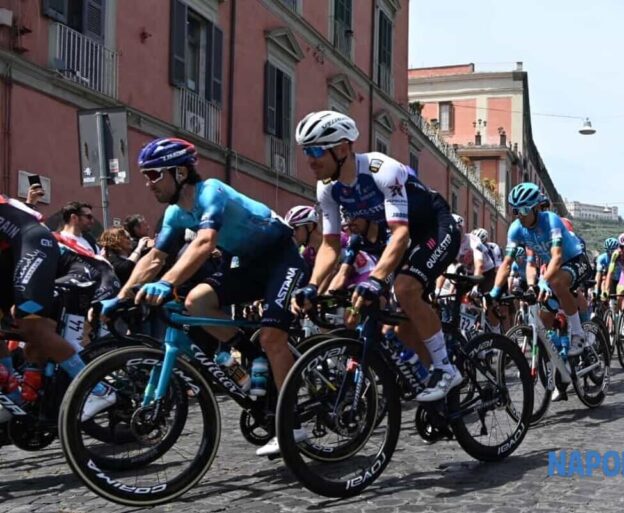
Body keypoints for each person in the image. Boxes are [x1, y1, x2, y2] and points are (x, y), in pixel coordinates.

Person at [101, 137, 308, 454]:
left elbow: (205, 242)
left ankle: (293, 425)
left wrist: (167, 283)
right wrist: (122, 296)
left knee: (271, 337)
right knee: (196, 301)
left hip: (280, 257)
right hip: (243, 263)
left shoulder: (211, 190)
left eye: (154, 175)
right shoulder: (174, 214)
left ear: (180, 173)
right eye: (146, 175)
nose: (148, 184)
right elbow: (155, 257)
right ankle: (249, 356)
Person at [291, 110, 462, 403]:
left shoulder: (382, 170)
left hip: (433, 225)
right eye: (307, 151)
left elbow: (401, 234)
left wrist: (376, 279)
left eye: (317, 150)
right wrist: (312, 286)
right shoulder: (327, 188)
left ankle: (447, 370)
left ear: (342, 148)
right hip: (398, 236)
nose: (310, 160)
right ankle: (432, 386)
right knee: (397, 320)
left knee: (405, 288)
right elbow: (331, 246)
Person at [0, 194, 114, 421]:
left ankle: (98, 389)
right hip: (12, 254)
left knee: (30, 325)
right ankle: (13, 397)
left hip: (33, 244)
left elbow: (33, 217)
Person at [490, 183, 592, 355]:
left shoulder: (551, 220)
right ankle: (559, 362)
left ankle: (578, 334)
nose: (519, 216)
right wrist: (494, 292)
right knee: (543, 323)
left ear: (536, 208)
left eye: (523, 211)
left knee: (557, 282)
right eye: (515, 211)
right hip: (554, 270)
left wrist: (543, 281)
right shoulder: (516, 229)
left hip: (575, 260)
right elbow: (507, 263)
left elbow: (557, 256)